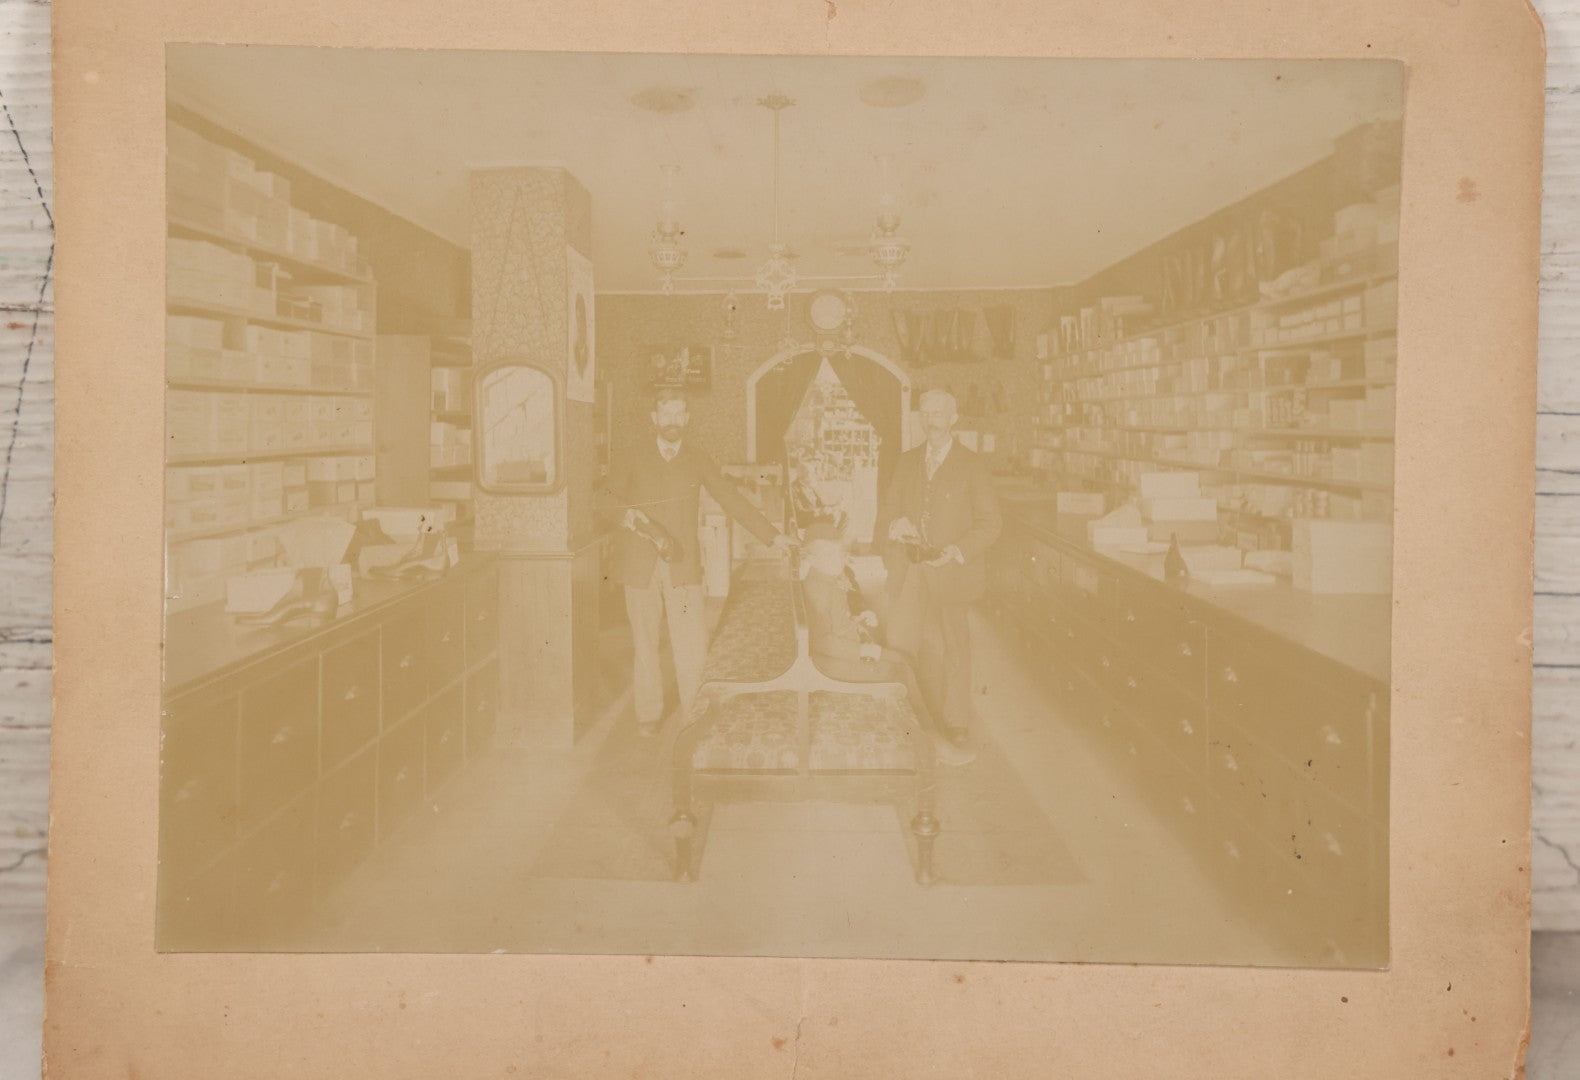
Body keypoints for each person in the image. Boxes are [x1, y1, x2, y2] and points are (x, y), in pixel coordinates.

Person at [600, 387, 796, 736]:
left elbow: (731, 498)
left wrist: (772, 535)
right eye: (666, 414)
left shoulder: (697, 457)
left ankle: (693, 715)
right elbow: (605, 500)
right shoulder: (630, 456)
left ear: (687, 419)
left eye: (679, 414)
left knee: (691, 642)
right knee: (645, 644)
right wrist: (633, 520)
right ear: (654, 418)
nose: (672, 421)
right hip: (638, 564)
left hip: (682, 563)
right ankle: (648, 715)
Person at [873, 388, 1002, 747]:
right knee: (901, 640)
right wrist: (896, 523)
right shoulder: (907, 460)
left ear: (953, 418)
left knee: (953, 646)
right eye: (925, 414)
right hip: (911, 568)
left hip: (953, 572)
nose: (932, 420)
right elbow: (889, 507)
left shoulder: (972, 465)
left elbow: (992, 523)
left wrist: (958, 550)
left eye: (939, 413)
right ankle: (902, 715)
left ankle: (956, 721)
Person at [799, 523, 975, 766]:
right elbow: (821, 641)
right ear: (811, 558)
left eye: (840, 552)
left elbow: (835, 623)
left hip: (841, 653)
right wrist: (862, 649)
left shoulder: (826, 577)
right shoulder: (817, 587)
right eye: (830, 554)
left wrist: (857, 620)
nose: (840, 558)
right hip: (829, 663)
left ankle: (929, 732)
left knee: (903, 661)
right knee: (897, 672)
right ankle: (932, 743)